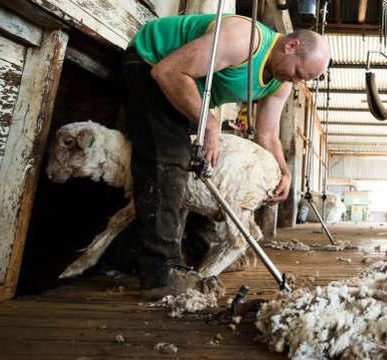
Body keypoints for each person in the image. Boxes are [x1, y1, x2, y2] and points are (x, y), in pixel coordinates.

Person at [122, 14, 330, 297]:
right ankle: (160, 272)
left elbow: (266, 135)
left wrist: (285, 171)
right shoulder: (245, 39)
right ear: (291, 46)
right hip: (150, 61)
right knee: (167, 160)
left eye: (301, 80)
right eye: (297, 73)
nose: (295, 81)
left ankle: (187, 255)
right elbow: (167, 72)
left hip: (185, 88)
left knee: (202, 166)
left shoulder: (280, 82)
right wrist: (208, 124)